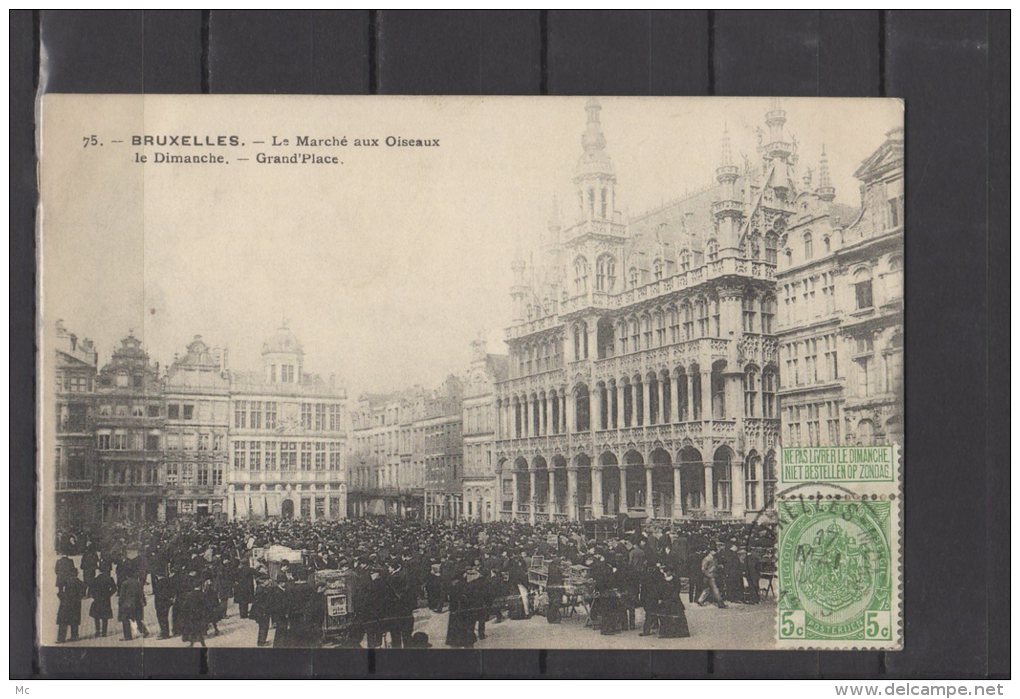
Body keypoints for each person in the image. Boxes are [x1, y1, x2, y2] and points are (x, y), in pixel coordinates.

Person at [656, 565, 691, 638]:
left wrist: (672, 596)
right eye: (666, 571)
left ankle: (680, 632)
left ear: (671, 572)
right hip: (665, 600)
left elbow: (677, 589)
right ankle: (666, 633)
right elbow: (659, 589)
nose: (667, 573)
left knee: (677, 616)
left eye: (668, 571)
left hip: (674, 600)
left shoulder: (675, 580)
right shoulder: (662, 580)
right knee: (665, 617)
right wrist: (661, 597)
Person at [56, 570, 86, 643]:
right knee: (74, 620)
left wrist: (62, 597)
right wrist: (79, 597)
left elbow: (60, 591)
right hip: (75, 604)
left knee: (63, 621)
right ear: (76, 574)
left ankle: (61, 638)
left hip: (66, 603)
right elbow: (84, 589)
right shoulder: (79, 582)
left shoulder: (66, 581)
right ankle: (74, 636)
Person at [118, 572, 149, 641]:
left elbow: (122, 595)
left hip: (127, 604)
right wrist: (144, 601)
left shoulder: (124, 583)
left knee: (125, 619)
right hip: (137, 603)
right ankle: (144, 631)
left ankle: (128, 636)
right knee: (138, 619)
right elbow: (141, 593)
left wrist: (120, 603)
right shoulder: (138, 583)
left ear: (127, 576)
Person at [88, 562, 116, 638]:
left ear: (99, 570)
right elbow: (114, 588)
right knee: (105, 616)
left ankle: (97, 631)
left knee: (96, 616)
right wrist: (109, 594)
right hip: (106, 600)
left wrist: (94, 596)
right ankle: (104, 632)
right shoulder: (109, 578)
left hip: (97, 599)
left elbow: (91, 589)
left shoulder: (95, 579)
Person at [152, 571, 175, 639]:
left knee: (161, 618)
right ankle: (165, 632)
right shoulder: (168, 581)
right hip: (167, 603)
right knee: (165, 618)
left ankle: (164, 634)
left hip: (161, 604)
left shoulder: (159, 583)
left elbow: (159, 595)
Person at [545, 557, 563, 624]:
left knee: (551, 603)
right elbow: (558, 578)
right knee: (555, 604)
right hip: (555, 589)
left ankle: (550, 618)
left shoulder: (551, 567)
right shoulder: (556, 569)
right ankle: (553, 619)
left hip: (550, 588)